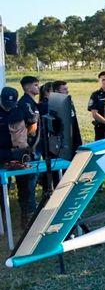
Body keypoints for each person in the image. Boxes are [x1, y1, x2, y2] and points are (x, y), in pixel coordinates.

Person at [0, 87, 34, 226]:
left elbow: (26, 130)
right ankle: (3, 219)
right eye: (6, 104)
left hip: (18, 152)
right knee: (2, 188)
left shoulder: (18, 109)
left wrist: (24, 151)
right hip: (1, 153)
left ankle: (24, 215)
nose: (9, 108)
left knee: (24, 186)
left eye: (11, 105)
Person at [18, 76, 40, 216]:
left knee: (32, 179)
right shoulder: (26, 103)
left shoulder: (30, 102)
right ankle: (30, 209)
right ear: (27, 87)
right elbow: (31, 126)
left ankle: (29, 206)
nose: (38, 87)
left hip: (33, 146)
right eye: (35, 85)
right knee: (30, 180)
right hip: (30, 147)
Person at [52, 80, 82, 150]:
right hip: (64, 139)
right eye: (64, 89)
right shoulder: (54, 104)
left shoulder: (69, 101)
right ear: (56, 91)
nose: (67, 91)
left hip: (74, 135)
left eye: (67, 89)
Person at [88, 71, 105, 141]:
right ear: (99, 81)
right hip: (101, 128)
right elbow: (94, 114)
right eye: (103, 80)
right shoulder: (96, 95)